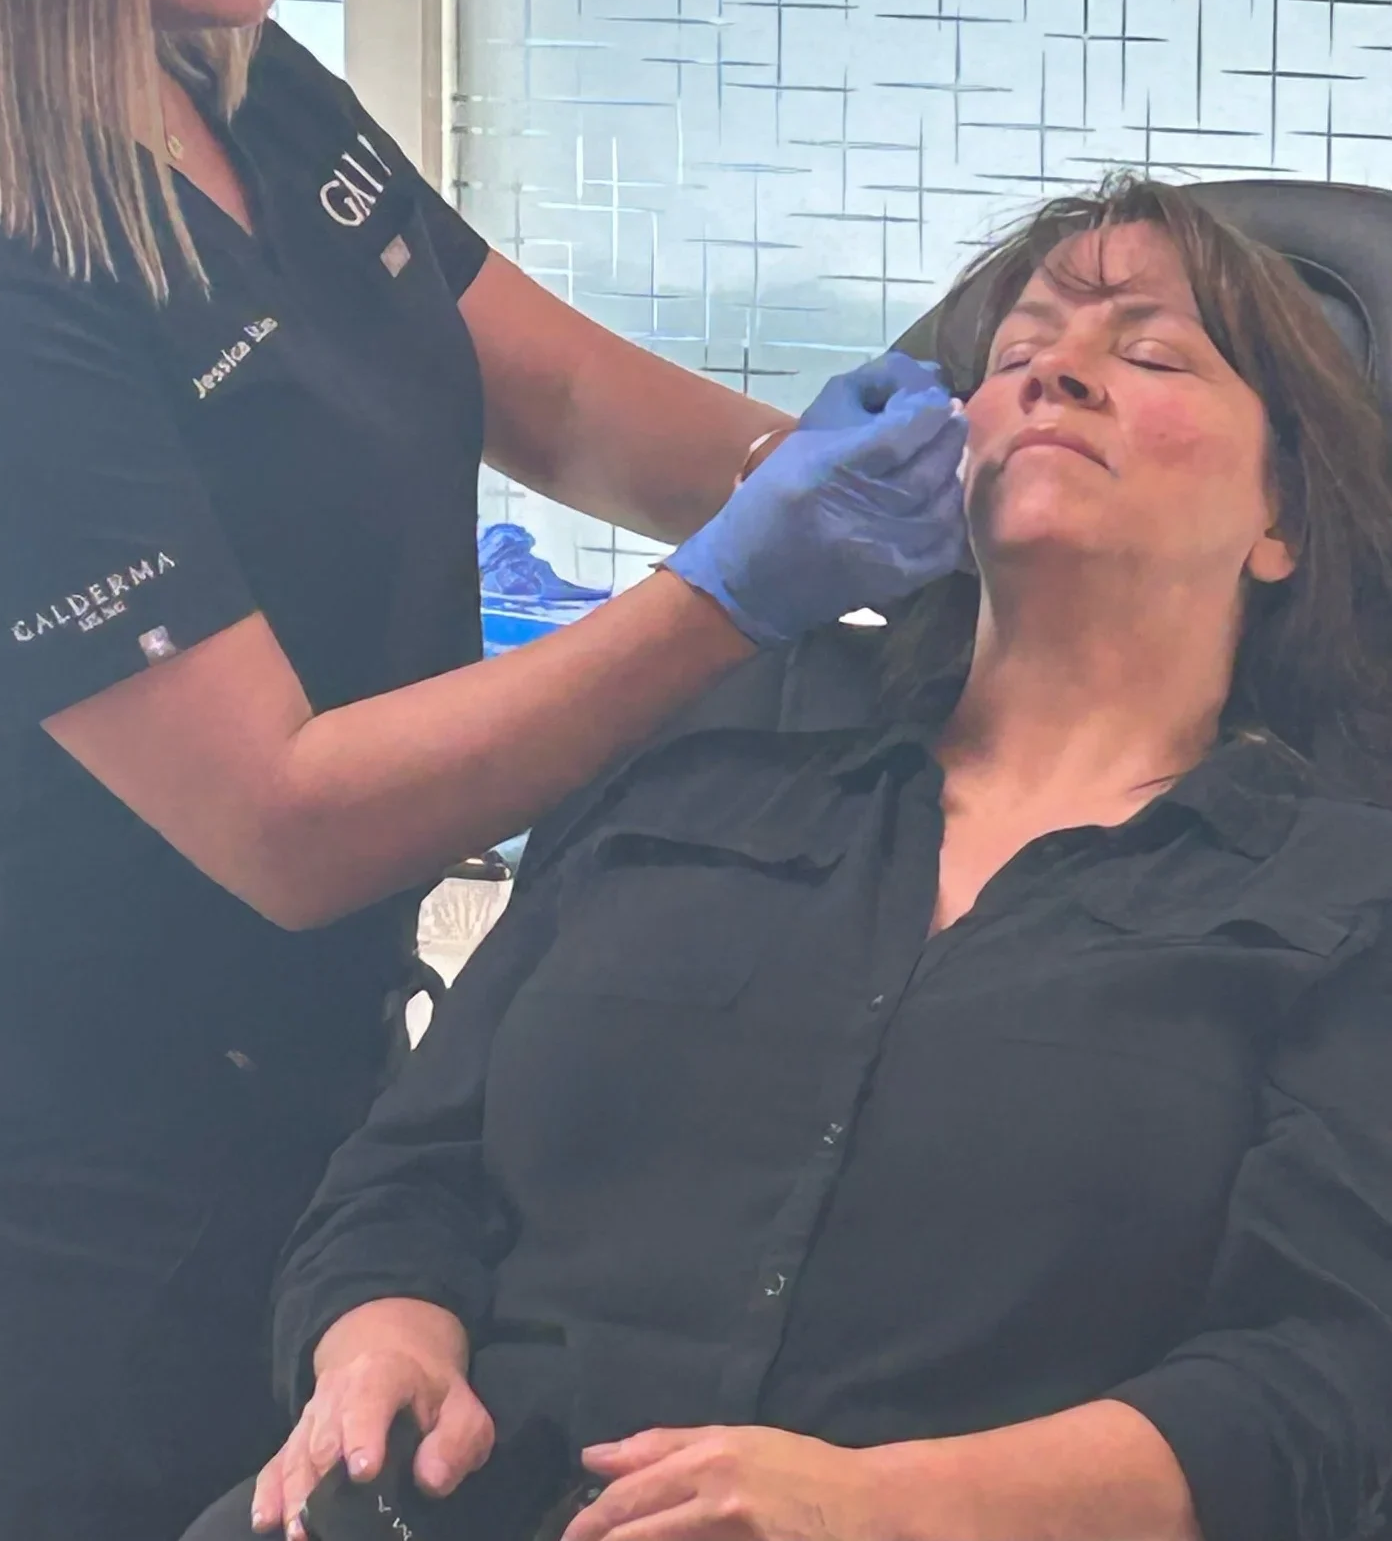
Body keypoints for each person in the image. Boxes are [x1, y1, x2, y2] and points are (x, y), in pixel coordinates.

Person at [0, 0, 970, 1538]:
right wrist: (735, 602)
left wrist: (907, 481)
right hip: (61, 1205)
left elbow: (541, 388)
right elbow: (285, 820)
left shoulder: (229, 78)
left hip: (324, 1095)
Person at [188, 176, 1392, 1541]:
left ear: (1284, 517)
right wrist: (379, 1341)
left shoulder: (1341, 903)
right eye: (1018, 353)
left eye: (1155, 352)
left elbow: (1323, 1384)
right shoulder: (692, 776)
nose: (1061, 370)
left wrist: (882, 1505)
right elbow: (414, 1169)